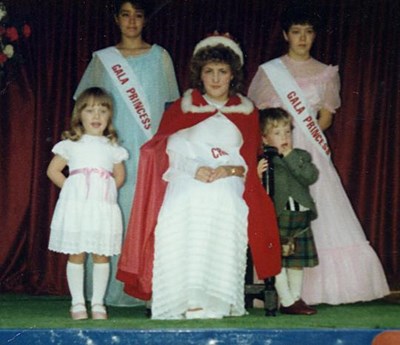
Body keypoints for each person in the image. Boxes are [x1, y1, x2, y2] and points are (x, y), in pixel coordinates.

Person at [117, 33, 281, 319]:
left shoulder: (247, 111)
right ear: (200, 75)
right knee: (181, 205)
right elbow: (170, 149)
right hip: (185, 174)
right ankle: (183, 297)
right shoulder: (185, 106)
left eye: (222, 72)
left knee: (225, 203)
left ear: (233, 75)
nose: (216, 79)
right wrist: (195, 169)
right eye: (209, 72)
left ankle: (215, 298)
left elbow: (247, 160)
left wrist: (227, 170)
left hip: (229, 178)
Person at [248, 5, 390, 305]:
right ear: (286, 34)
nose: (302, 38)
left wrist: (300, 135)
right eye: (296, 32)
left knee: (322, 209)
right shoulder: (270, 71)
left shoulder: (326, 73)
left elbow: (325, 119)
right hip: (279, 147)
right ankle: (283, 290)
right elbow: (260, 115)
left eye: (308, 32)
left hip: (309, 149)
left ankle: (326, 289)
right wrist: (280, 140)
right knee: (281, 212)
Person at [74, 0, 180, 306]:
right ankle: (103, 293)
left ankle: (148, 289)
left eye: (138, 15)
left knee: (148, 213)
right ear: (116, 19)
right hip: (110, 151)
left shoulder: (161, 56)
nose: (131, 21)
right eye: (125, 15)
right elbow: (85, 106)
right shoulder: (102, 59)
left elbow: (170, 109)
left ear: (145, 20)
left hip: (149, 150)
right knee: (109, 213)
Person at [47, 87, 129, 320]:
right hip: (78, 208)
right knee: (77, 253)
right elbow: (53, 171)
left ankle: (99, 303)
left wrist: (105, 190)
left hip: (101, 208)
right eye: (90, 111)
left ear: (109, 116)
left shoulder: (112, 147)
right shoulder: (72, 144)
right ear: (79, 115)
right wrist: (74, 190)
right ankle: (78, 304)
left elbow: (119, 176)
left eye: (102, 111)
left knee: (101, 255)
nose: (96, 116)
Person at [258, 107, 318, 315]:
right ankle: (287, 299)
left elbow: (309, 177)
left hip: (300, 216)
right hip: (278, 216)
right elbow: (258, 192)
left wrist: (289, 155)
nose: (284, 136)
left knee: (296, 261)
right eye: (277, 133)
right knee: (278, 260)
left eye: (287, 132)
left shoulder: (301, 156)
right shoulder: (263, 161)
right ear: (264, 139)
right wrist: (257, 174)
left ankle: (296, 298)